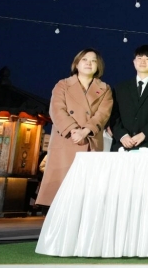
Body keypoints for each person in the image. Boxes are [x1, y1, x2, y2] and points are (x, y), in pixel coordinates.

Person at [36, 49, 113, 207]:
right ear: (76, 64)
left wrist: (85, 130)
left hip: (90, 141)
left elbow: (103, 113)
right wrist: (73, 129)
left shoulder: (105, 88)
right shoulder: (62, 85)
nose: (88, 63)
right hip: (66, 140)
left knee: (85, 196)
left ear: (98, 66)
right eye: (84, 60)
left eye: (93, 61)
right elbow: (57, 110)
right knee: (62, 195)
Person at [108, 44, 148, 152]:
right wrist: (122, 135)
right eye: (139, 58)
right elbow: (113, 115)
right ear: (134, 62)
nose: (142, 62)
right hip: (121, 145)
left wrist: (144, 134)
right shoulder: (120, 88)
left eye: (147, 59)